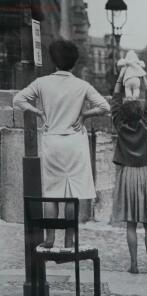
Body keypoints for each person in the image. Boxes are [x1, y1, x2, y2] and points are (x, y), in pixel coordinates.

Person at [13, 39, 110, 248]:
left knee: (52, 191)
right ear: (74, 63)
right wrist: (84, 115)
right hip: (75, 142)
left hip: (52, 141)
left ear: (53, 61)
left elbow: (18, 100)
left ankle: (49, 238)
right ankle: (69, 238)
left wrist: (39, 113)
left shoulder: (42, 83)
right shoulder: (82, 85)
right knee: (71, 194)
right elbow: (104, 106)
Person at [111, 73, 147, 275]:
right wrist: (144, 80)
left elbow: (115, 105)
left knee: (131, 224)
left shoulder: (120, 125)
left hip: (127, 174)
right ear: (142, 112)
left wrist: (120, 79)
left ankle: (134, 265)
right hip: (146, 173)